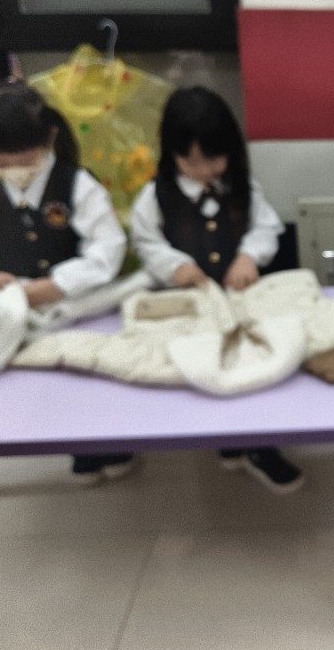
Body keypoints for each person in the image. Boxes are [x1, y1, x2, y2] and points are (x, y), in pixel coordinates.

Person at [0, 80, 132, 482]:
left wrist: (59, 284)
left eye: (27, 160)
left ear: (50, 138)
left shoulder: (77, 184)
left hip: (74, 301)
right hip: (13, 304)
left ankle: (108, 440)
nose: (14, 171)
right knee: (37, 378)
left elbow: (107, 249)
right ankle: (73, 441)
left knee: (88, 372)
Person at [130, 86, 303, 494]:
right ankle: (226, 439)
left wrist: (249, 256)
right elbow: (146, 242)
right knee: (208, 369)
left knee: (251, 370)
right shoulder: (154, 196)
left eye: (214, 159)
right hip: (192, 307)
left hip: (241, 300)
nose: (205, 170)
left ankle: (259, 445)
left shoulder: (244, 188)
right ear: (172, 153)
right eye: (191, 161)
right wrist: (175, 265)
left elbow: (266, 228)